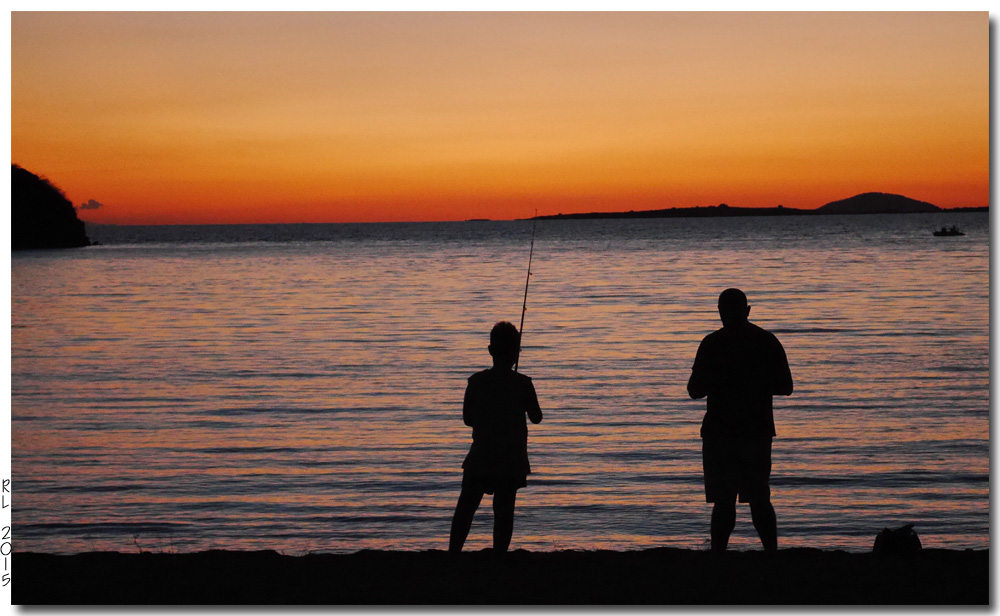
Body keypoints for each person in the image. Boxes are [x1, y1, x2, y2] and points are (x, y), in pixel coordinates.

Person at [687, 288, 793, 554]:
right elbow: (786, 386)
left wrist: (723, 380)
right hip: (755, 432)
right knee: (759, 499)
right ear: (747, 311)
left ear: (721, 312)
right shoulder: (766, 341)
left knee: (724, 502)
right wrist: (754, 383)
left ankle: (719, 555)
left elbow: (694, 390)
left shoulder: (711, 343)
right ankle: (771, 553)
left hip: (721, 433)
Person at [449, 321, 543, 554]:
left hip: (482, 455)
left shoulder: (476, 382)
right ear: (516, 353)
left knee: (466, 507)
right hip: (511, 458)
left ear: (490, 350)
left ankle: (453, 553)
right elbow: (537, 417)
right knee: (504, 509)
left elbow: (468, 419)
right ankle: (499, 555)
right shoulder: (523, 383)